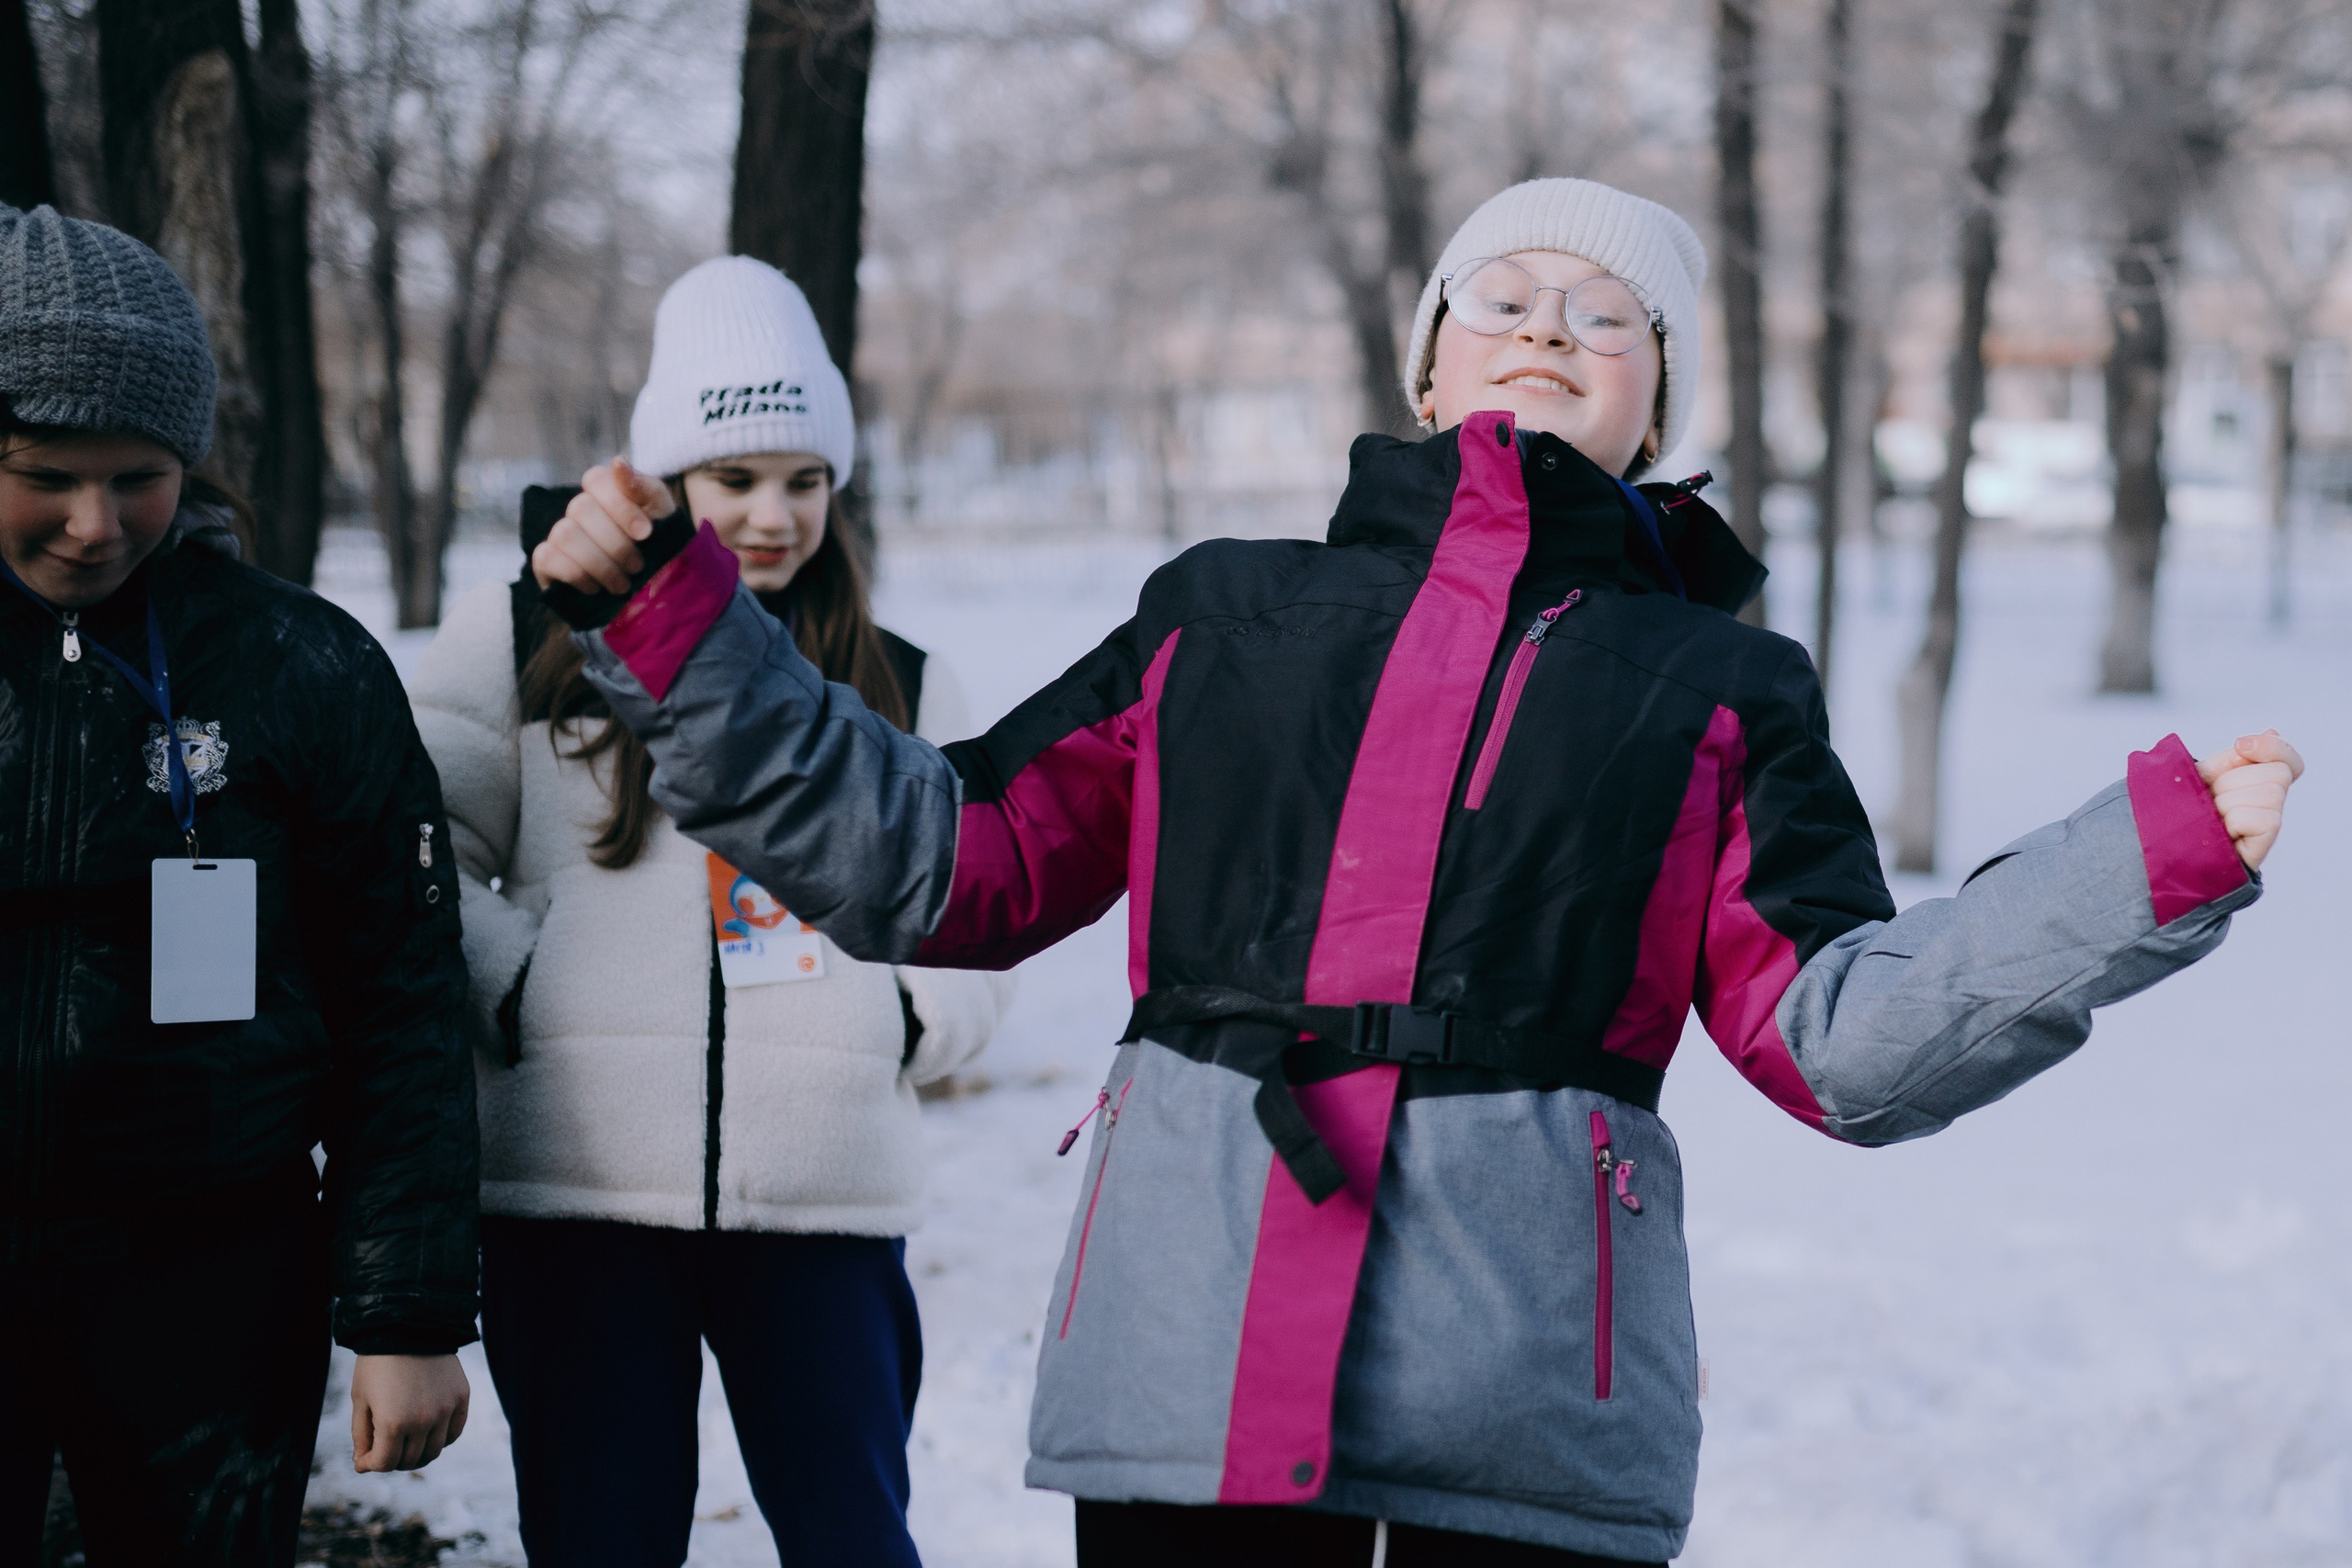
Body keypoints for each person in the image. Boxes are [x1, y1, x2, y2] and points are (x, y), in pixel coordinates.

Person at [525, 180, 2304, 1566]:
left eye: (1606, 315)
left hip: (1520, 1391)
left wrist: (2132, 868)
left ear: (1659, 407)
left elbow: (1836, 1034)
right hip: (1190, 1344)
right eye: (1503, 297)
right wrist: (681, 627)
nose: (1548, 329)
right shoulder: (1217, 614)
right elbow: (951, 858)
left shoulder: (1717, 685)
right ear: (1428, 363)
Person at [411, 255, 1008, 1567]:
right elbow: (417, 848)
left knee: (855, 1538)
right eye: (735, 479)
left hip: (824, 1204)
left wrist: (900, 1021)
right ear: (669, 481)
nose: (772, 516)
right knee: (602, 1539)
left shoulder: (903, 680)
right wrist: (523, 990)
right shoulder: (521, 638)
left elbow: (974, 900)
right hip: (577, 1195)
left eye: (805, 481)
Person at [0, 205, 478, 1567]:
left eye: (138, 477)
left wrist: (404, 1314)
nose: (94, 524)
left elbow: (401, 993)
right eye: (46, 475)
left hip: (208, 1282)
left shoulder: (300, 667)